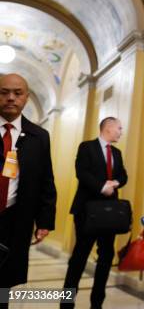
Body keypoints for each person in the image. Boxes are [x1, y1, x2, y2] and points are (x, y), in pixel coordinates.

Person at [0, 74, 57, 300]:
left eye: (17, 93)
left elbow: (46, 180)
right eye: (4, 93)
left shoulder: (39, 136)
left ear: (27, 97)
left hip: (15, 219)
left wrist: (44, 221)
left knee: (4, 286)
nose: (11, 98)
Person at [62, 117, 128, 309]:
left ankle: (97, 303)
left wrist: (115, 183)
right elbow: (81, 173)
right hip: (86, 211)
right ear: (107, 128)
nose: (121, 132)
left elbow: (122, 175)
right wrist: (101, 187)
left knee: (106, 257)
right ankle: (66, 303)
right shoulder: (86, 147)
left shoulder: (117, 152)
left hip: (110, 214)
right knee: (79, 258)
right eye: (119, 128)